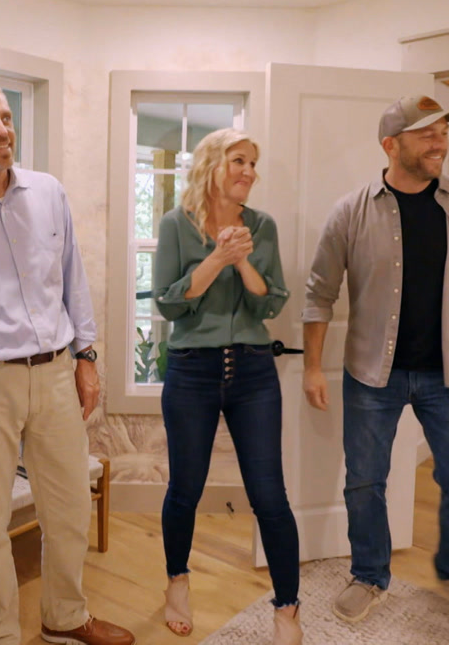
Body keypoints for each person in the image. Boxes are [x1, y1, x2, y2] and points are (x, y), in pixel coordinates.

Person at [0, 77, 134, 645]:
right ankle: (3, 635)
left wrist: (86, 357)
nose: (2, 131)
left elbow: (72, 278)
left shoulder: (48, 192)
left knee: (69, 509)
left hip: (56, 373)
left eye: (6, 118)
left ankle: (65, 618)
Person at [301, 95, 449, 632]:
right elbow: (319, 293)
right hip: (372, 374)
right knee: (365, 482)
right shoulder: (351, 211)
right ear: (391, 145)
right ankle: (369, 574)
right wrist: (312, 367)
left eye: (444, 132)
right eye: (427, 134)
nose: (441, 143)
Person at [152, 128, 304, 643]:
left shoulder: (262, 226)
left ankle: (287, 610)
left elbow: (271, 301)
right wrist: (216, 258)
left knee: (270, 496)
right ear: (212, 164)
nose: (249, 172)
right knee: (185, 490)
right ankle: (177, 582)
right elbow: (168, 304)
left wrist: (241, 260)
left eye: (253, 163)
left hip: (254, 371)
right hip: (192, 371)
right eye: (239, 161)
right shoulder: (176, 225)